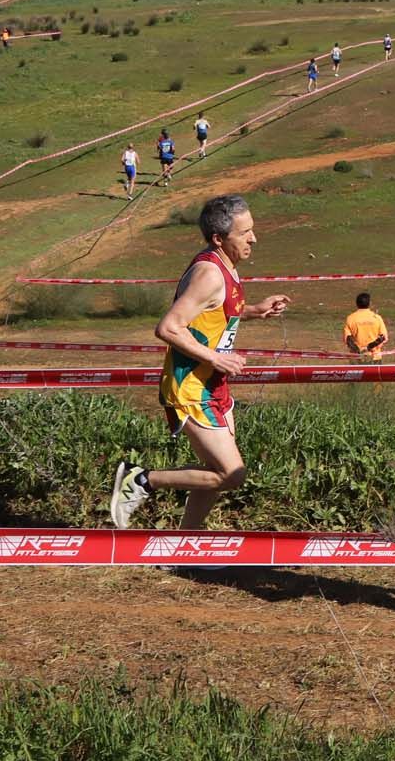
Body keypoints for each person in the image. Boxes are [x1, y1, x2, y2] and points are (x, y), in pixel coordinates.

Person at [110, 195, 292, 531]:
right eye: (245, 233)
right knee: (230, 473)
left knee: (216, 473)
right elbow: (168, 328)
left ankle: (185, 546)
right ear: (219, 238)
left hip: (213, 383)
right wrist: (216, 358)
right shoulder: (209, 273)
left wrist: (255, 310)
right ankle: (142, 480)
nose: (254, 238)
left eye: (252, 229)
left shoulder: (225, 267)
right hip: (191, 385)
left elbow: (213, 313)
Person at [343, 292, 389, 360]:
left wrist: (359, 351)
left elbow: (347, 339)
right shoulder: (377, 318)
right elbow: (383, 337)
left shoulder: (350, 318)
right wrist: (369, 348)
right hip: (374, 357)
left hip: (356, 358)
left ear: (357, 304)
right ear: (370, 303)